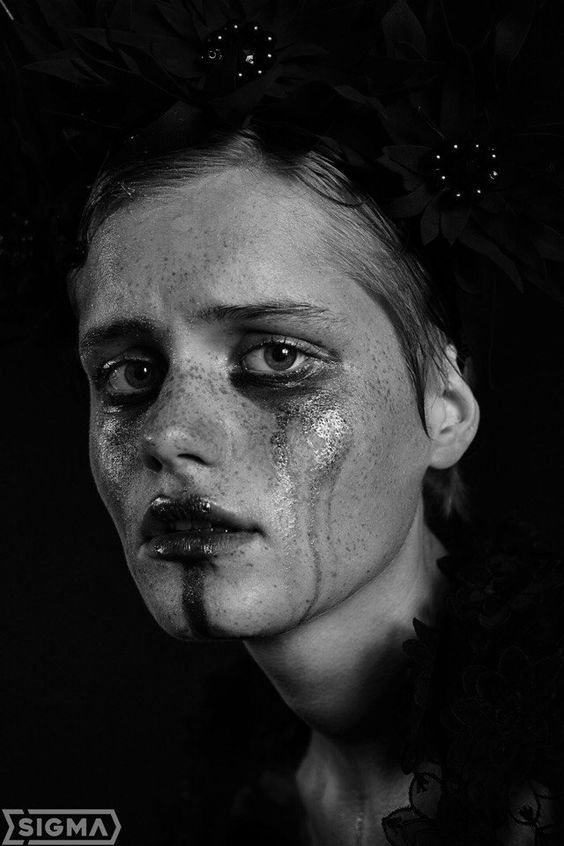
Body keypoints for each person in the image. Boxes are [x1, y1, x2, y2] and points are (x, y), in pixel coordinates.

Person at [4, 1, 564, 843]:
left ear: (444, 409)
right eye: (129, 373)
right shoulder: (235, 796)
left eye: (276, 358)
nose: (168, 434)